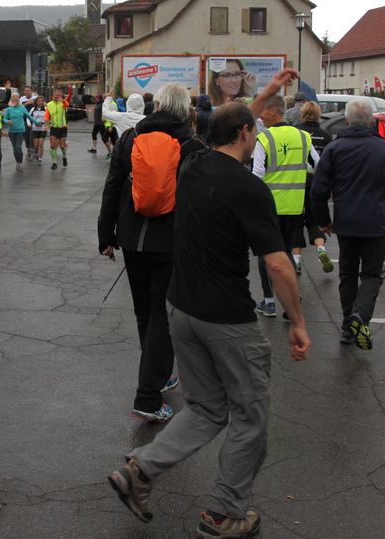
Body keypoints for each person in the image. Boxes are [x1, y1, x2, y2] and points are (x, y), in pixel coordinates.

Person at [108, 69, 310, 539]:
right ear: (247, 134)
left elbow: (233, 124)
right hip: (227, 319)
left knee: (204, 409)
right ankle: (224, 514)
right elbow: (278, 265)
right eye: (252, 128)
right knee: (250, 416)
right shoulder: (249, 189)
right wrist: (298, 321)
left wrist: (265, 94)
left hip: (182, 311)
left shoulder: (192, 165)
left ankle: (139, 470)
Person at [98, 84, 208, 423]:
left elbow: (112, 188)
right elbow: (201, 202)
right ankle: (147, 397)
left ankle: (157, 373)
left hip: (132, 240)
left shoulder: (130, 138)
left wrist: (106, 236)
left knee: (145, 311)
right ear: (185, 109)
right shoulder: (192, 145)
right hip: (170, 242)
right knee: (164, 315)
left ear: (156, 105)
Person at [312, 99, 385, 350]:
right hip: (374, 222)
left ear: (347, 120)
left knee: (347, 273)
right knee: (371, 274)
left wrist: (323, 221)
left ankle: (348, 325)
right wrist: (383, 203)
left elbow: (318, 189)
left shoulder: (334, 148)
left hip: (346, 222)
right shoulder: (384, 148)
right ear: (370, 120)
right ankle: (359, 315)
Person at [252, 94, 320, 318]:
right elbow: (318, 165)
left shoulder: (264, 138)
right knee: (287, 253)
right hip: (294, 206)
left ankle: (269, 301)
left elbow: (257, 174)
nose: (260, 116)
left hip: (270, 207)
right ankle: (293, 297)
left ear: (273, 110)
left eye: (263, 111)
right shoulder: (303, 137)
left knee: (265, 253)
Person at [293, 101, 334, 274]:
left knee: (295, 221)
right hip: (316, 182)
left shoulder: (295, 132)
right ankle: (321, 249)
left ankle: (296, 260)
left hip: (296, 180)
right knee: (313, 219)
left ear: (302, 114)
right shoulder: (325, 136)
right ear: (318, 115)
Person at [3, 92, 44, 171]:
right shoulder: (8, 109)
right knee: (15, 148)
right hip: (12, 131)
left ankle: (20, 162)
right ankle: (17, 162)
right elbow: (4, 119)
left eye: (17, 97)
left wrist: (36, 122)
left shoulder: (22, 107)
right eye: (13, 97)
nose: (15, 98)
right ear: (11, 99)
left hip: (21, 130)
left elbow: (29, 116)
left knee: (18, 147)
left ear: (19, 99)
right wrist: (7, 121)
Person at [46, 85, 73, 170]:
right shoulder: (49, 104)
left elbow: (67, 103)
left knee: (62, 146)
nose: (56, 96)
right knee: (52, 145)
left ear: (61, 96)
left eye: (58, 95)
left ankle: (64, 157)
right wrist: (46, 125)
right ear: (53, 95)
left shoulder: (63, 103)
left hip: (62, 127)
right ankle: (54, 162)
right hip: (53, 127)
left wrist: (63, 100)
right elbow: (47, 116)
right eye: (55, 95)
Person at [19, 85, 38, 160]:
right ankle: (29, 152)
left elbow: (41, 103)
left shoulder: (35, 97)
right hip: (24, 121)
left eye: (28, 90)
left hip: (34, 121)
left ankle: (33, 153)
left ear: (31, 91)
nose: (27, 92)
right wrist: (27, 103)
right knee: (26, 137)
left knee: (32, 137)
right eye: (25, 90)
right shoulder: (21, 99)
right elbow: (19, 108)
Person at [29, 96, 48, 166]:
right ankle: (36, 154)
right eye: (39, 101)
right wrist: (29, 124)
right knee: (36, 145)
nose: (40, 102)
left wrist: (43, 123)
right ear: (36, 102)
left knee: (41, 144)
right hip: (35, 129)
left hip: (43, 129)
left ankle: (40, 159)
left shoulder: (46, 109)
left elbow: (48, 118)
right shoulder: (33, 109)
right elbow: (28, 117)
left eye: (41, 101)